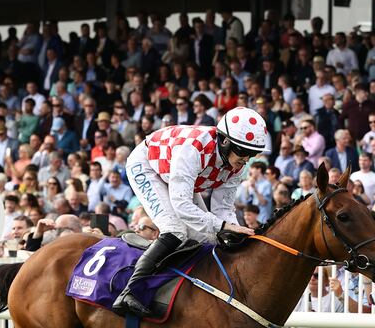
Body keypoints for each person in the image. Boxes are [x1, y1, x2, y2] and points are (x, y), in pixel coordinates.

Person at [115, 106, 268, 316]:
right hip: (147, 165)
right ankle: (129, 291)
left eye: (252, 153)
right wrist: (224, 226)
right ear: (224, 141)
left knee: (210, 237)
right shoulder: (194, 149)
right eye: (242, 151)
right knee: (175, 230)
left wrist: (233, 231)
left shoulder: (237, 166)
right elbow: (181, 205)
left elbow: (222, 209)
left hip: (180, 176)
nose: (246, 159)